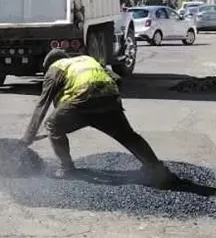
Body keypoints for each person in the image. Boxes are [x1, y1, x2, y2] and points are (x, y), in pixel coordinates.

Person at [23, 48, 172, 186]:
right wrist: (112, 102)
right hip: (108, 100)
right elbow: (117, 79)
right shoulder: (88, 60)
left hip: (82, 100)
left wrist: (28, 137)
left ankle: (67, 169)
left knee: (53, 125)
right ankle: (155, 168)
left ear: (49, 63)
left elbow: (42, 104)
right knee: (127, 135)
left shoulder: (55, 68)